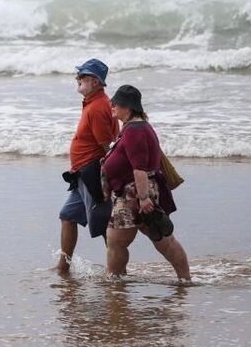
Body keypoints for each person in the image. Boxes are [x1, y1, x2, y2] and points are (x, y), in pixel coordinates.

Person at [101, 85, 191, 282]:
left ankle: (114, 281)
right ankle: (185, 280)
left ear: (128, 107)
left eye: (116, 103)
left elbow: (139, 168)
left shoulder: (135, 130)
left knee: (116, 241)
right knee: (163, 240)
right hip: (137, 191)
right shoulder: (136, 127)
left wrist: (143, 199)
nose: (112, 106)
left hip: (134, 193)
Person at [56, 58, 119, 274]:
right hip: (81, 173)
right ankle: (63, 266)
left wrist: (106, 180)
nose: (78, 79)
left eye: (82, 76)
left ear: (95, 81)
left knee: (103, 224)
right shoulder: (92, 103)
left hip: (92, 173)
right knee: (67, 215)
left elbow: (107, 147)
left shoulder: (98, 107)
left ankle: (117, 272)